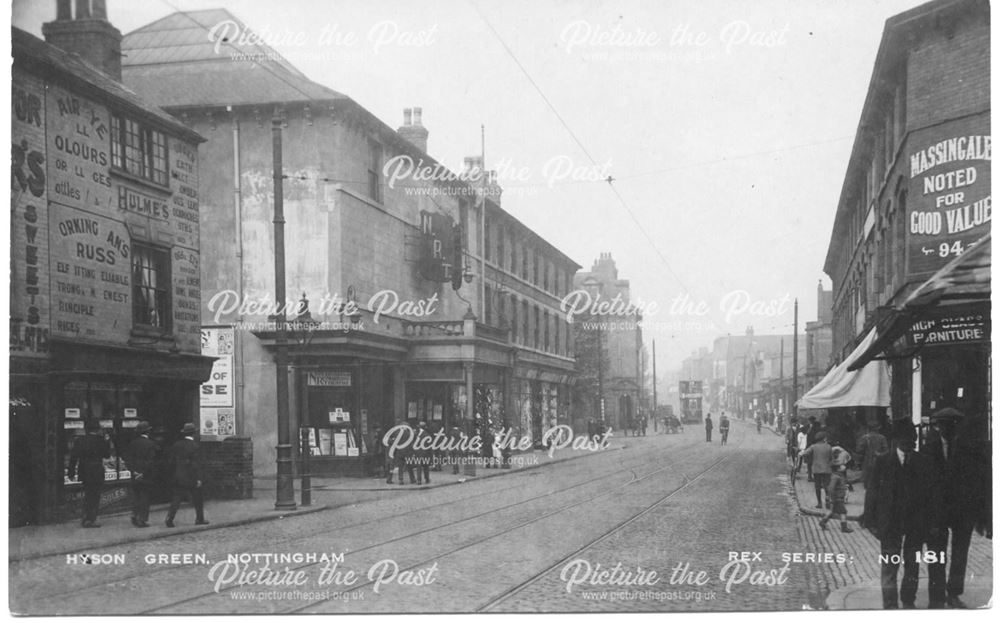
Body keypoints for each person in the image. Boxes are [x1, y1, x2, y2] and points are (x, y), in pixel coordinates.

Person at [864, 422, 942, 609]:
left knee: (912, 565)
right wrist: (870, 520)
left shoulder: (923, 461)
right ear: (896, 440)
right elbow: (872, 491)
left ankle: (908, 600)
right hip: (890, 522)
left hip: (916, 522)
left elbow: (931, 494)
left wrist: (932, 521)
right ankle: (890, 605)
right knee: (890, 565)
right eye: (906, 440)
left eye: (912, 440)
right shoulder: (883, 462)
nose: (910, 443)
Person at [924, 408, 991, 609]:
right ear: (938, 427)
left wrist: (981, 515)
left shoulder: (969, 450)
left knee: (960, 554)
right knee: (937, 554)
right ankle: (936, 597)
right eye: (942, 425)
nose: (946, 429)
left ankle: (954, 594)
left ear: (955, 427)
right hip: (937, 512)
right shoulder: (928, 449)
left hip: (963, 512)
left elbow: (979, 482)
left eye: (950, 426)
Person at [66, 418, 111, 528]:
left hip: (84, 470)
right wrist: (107, 441)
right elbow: (107, 455)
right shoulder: (101, 440)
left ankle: (86, 517)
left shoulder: (80, 440)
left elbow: (73, 457)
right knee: (95, 496)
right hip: (96, 471)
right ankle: (91, 519)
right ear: (97, 429)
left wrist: (70, 472)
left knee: (88, 494)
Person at [165, 423, 208, 527]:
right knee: (198, 498)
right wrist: (198, 478)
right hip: (192, 476)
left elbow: (170, 461)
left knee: (177, 498)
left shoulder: (176, 445)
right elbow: (196, 464)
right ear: (193, 434)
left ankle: (169, 518)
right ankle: (199, 519)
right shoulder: (195, 446)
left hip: (179, 476)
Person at [124, 421, 158, 528]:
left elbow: (127, 459)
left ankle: (134, 514)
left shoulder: (132, 443)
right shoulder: (151, 444)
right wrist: (143, 473)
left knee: (136, 495)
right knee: (145, 497)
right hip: (146, 475)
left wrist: (133, 471)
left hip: (134, 474)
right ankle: (142, 519)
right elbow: (151, 461)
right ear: (148, 432)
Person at [819, 447, 854, 533]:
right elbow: (831, 488)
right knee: (843, 512)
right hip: (837, 498)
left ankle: (823, 522)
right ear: (838, 468)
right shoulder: (836, 477)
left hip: (838, 497)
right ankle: (844, 527)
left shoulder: (839, 476)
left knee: (832, 511)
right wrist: (830, 496)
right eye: (842, 465)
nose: (844, 466)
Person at [799, 431, 832, 509]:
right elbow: (831, 458)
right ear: (824, 439)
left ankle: (819, 503)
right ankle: (827, 500)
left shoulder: (813, 447)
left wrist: (801, 454)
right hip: (827, 469)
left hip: (816, 469)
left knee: (817, 486)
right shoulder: (829, 446)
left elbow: (805, 453)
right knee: (827, 485)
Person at [856, 423, 889, 492]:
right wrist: (880, 454)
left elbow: (859, 450)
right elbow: (886, 451)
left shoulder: (865, 437)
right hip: (879, 462)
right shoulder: (882, 438)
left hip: (867, 462)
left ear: (868, 429)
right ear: (878, 429)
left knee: (868, 484)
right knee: (879, 482)